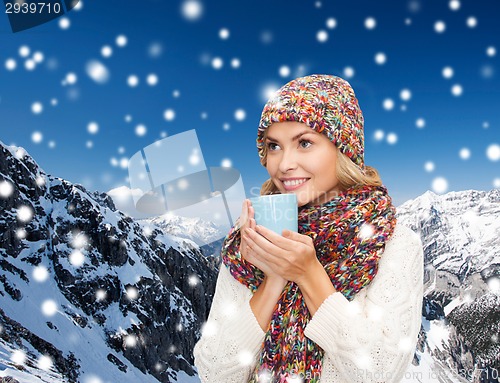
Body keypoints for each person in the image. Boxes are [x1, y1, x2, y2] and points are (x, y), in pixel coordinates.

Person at [194, 74, 423, 383]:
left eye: (304, 142)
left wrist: (307, 274)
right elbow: (214, 374)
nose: (284, 163)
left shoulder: (394, 243)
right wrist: (273, 278)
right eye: (273, 146)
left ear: (344, 149)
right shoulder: (250, 238)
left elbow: (379, 374)